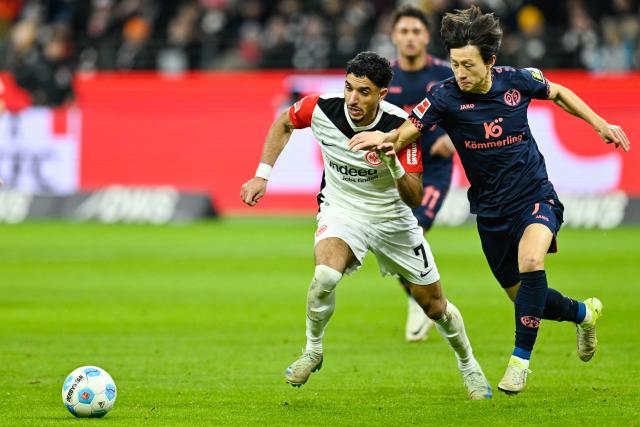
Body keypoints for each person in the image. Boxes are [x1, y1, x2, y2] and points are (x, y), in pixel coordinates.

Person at [348, 6, 630, 395]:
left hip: (535, 196)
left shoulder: (517, 81)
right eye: (454, 64)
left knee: (531, 261)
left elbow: (560, 92)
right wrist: (383, 141)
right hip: (489, 210)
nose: (460, 73)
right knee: (528, 298)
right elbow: (408, 130)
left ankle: (519, 363)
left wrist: (600, 123)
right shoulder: (443, 96)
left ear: (490, 62)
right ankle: (584, 313)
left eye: (468, 65)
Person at [240, 51, 492, 400]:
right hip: (342, 210)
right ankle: (313, 349)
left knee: (435, 306)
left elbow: (414, 198)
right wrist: (261, 175)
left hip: (392, 219)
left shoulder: (401, 126)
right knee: (325, 276)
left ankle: (469, 365)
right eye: (348, 88)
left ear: (382, 94)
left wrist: (394, 163)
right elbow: (283, 122)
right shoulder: (320, 108)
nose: (353, 99)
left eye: (363, 91)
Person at [386, 5, 456, 343]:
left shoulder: (445, 75)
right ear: (394, 36)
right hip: (396, 172)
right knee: (392, 240)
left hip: (434, 170)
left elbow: (467, 113)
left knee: (413, 229)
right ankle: (418, 296)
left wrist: (451, 136)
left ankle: (425, 300)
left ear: (427, 37)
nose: (411, 37)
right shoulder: (383, 78)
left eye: (416, 31)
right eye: (404, 31)